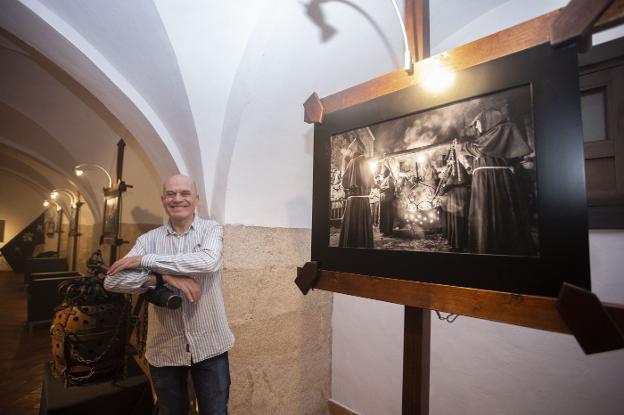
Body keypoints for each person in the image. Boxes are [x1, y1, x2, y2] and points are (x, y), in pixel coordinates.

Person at [104, 174, 234, 415]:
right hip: (165, 347)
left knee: (215, 412)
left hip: (210, 344)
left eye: (184, 193)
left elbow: (208, 261)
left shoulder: (211, 229)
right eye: (171, 194)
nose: (178, 199)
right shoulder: (148, 239)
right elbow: (112, 280)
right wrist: (163, 277)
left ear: (196, 199)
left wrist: (147, 261)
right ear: (163, 199)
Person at [464, 109, 536, 255]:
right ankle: (485, 245)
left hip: (494, 178)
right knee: (483, 213)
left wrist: (463, 146)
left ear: (488, 120)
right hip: (484, 178)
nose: (476, 127)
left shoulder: (503, 129)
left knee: (499, 210)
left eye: (478, 123)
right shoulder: (488, 136)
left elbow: (480, 150)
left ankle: (501, 247)